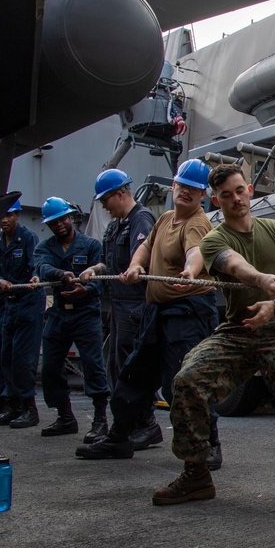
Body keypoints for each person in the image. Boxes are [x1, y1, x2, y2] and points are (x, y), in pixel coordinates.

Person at [152, 163, 275, 506]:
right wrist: (261, 279)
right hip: (238, 330)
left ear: (250, 190)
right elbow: (233, 265)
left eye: (239, 191)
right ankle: (196, 475)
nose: (235, 199)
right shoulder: (215, 239)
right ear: (216, 201)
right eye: (226, 195)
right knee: (187, 380)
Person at [76, 159, 220, 463]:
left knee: (184, 380)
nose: (186, 192)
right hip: (157, 310)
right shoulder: (166, 217)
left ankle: (210, 443)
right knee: (134, 375)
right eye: (182, 186)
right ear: (174, 186)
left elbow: (197, 252)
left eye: (194, 189)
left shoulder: (197, 222)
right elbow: (146, 246)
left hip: (187, 312)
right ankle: (120, 437)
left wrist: (191, 271)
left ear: (203, 195)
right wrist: (136, 264)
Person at [78, 168, 157, 447]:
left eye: (106, 200)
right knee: (115, 367)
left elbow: (141, 259)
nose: (103, 206)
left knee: (130, 368)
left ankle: (146, 424)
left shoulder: (142, 219)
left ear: (121, 194)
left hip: (135, 305)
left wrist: (134, 268)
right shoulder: (115, 227)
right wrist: (94, 270)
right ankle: (130, 422)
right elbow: (110, 264)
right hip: (117, 305)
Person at [32, 197, 111, 440]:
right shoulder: (45, 247)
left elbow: (101, 277)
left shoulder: (90, 245)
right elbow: (41, 267)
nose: (60, 225)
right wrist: (61, 274)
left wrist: (85, 290)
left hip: (86, 312)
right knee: (50, 367)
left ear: (71, 218)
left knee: (93, 366)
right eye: (54, 223)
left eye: (63, 219)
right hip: (59, 313)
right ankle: (65, 416)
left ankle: (100, 420)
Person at [0, 198, 46, 428]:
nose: (5, 220)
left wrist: (35, 278)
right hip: (7, 305)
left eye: (9, 215)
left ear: (18, 215)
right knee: (3, 356)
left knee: (22, 360)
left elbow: (35, 263)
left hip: (27, 303)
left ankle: (29, 408)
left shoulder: (27, 238)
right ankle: (10, 405)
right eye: (2, 216)